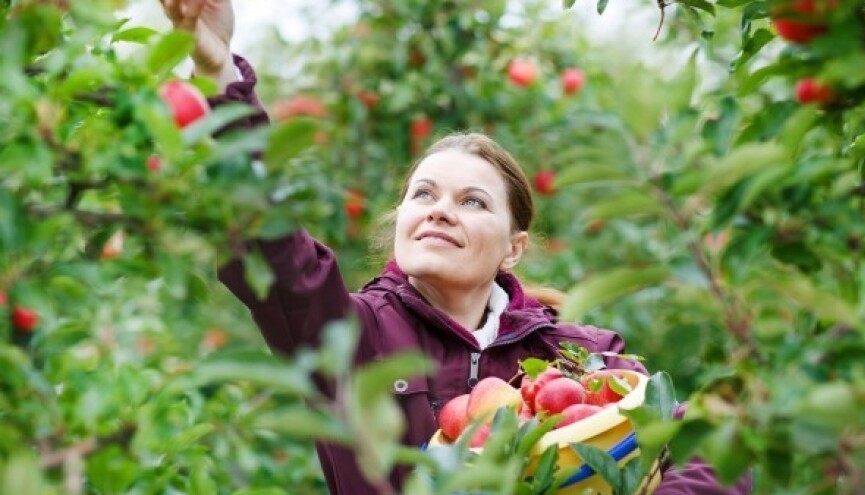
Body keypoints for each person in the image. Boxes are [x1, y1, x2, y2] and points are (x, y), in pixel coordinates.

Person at [160, 2, 754, 494]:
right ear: (401, 219)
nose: (441, 208)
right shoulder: (350, 336)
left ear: (513, 249)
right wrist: (217, 78)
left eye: (472, 202)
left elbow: (719, 451)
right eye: (424, 194)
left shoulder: (579, 354)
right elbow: (269, 246)